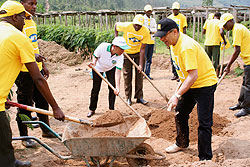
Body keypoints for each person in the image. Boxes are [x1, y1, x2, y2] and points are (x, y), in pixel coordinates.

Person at [0, 1, 65, 166]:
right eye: (23, 17)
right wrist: (56, 107)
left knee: (4, 142)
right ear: (15, 17)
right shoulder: (18, 37)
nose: (25, 20)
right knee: (4, 137)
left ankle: (11, 160)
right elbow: (38, 78)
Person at [154, 18, 217, 160]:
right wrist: (177, 93)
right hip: (191, 83)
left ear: (174, 32)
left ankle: (205, 158)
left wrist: (177, 94)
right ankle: (181, 143)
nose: (162, 39)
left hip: (205, 84)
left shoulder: (186, 46)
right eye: (160, 36)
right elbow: (184, 73)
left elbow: (193, 75)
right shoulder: (172, 44)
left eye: (164, 35)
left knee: (204, 122)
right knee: (180, 112)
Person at [14, 0, 54, 149]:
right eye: (31, 3)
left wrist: (43, 65)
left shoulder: (31, 21)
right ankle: (25, 136)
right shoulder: (17, 24)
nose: (34, 7)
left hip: (36, 67)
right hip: (24, 71)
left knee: (43, 101)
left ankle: (45, 129)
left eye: (36, 3)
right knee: (24, 104)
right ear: (21, 3)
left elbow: (34, 45)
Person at [87, 37, 130, 117]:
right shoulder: (102, 47)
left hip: (110, 68)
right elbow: (95, 56)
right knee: (95, 89)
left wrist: (117, 87)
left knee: (112, 88)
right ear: (114, 47)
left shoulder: (120, 56)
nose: (123, 51)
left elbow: (118, 72)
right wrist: (94, 63)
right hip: (98, 68)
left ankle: (111, 110)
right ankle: (92, 109)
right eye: (122, 49)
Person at [115, 14, 151, 106]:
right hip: (126, 53)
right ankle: (128, 98)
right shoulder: (127, 26)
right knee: (127, 75)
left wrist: (140, 65)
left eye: (139, 25)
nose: (137, 26)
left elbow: (143, 49)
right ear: (133, 23)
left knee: (139, 74)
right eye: (135, 24)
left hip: (138, 53)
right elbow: (116, 26)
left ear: (142, 25)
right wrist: (116, 39)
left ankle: (139, 97)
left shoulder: (145, 31)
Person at [220, 13, 250, 117]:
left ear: (230, 21)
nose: (224, 27)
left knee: (248, 86)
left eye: (225, 25)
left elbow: (237, 50)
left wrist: (228, 66)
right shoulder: (237, 28)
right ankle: (241, 103)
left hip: (249, 60)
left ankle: (247, 109)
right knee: (245, 83)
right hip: (247, 60)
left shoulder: (237, 29)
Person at [168, 2, 187, 81]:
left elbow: (184, 28)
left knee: (181, 58)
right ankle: (175, 74)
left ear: (179, 10)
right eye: (174, 10)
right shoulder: (169, 17)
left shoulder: (182, 17)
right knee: (173, 58)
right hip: (171, 40)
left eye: (176, 10)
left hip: (180, 40)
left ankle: (181, 75)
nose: (175, 11)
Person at [143, 4, 157, 80]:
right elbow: (143, 30)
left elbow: (155, 30)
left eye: (150, 11)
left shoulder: (153, 20)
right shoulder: (142, 20)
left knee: (149, 59)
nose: (149, 12)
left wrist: (150, 30)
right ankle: (141, 73)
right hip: (145, 42)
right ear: (145, 11)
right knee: (143, 58)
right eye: (148, 11)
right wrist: (150, 30)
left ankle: (147, 73)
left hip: (151, 41)